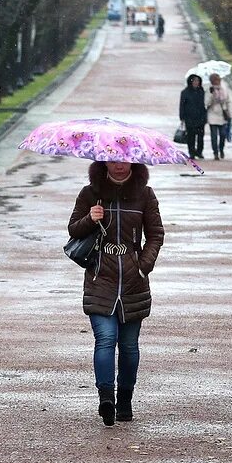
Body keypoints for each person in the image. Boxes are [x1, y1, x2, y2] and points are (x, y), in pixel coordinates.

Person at [68, 161, 164, 426]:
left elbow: (155, 234)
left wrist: (143, 266)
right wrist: (91, 218)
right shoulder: (90, 193)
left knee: (130, 346)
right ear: (103, 162)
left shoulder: (145, 194)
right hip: (101, 278)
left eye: (124, 160)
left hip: (134, 281)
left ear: (133, 161)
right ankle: (106, 398)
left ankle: (125, 400)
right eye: (112, 160)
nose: (119, 165)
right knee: (106, 338)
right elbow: (73, 230)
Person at [179, 73, 207, 159]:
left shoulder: (202, 92)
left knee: (200, 137)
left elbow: (206, 103)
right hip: (189, 118)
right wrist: (182, 117)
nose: (196, 82)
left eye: (197, 81)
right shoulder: (185, 92)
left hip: (200, 117)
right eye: (194, 81)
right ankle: (191, 152)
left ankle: (199, 151)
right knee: (191, 136)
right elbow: (182, 105)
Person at [206, 73, 232, 159]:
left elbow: (227, 100)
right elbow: (206, 103)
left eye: (218, 80)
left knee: (223, 134)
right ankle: (215, 152)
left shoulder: (224, 87)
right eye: (215, 81)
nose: (217, 82)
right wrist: (212, 95)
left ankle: (221, 149)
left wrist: (229, 112)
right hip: (212, 114)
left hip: (222, 114)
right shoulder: (209, 89)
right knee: (214, 135)